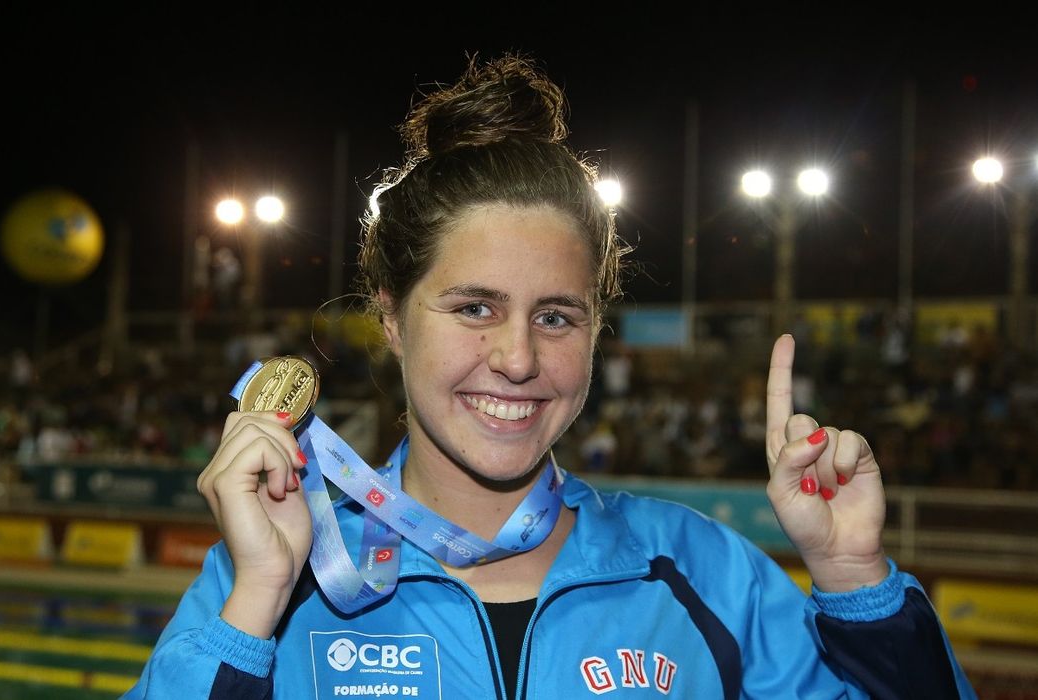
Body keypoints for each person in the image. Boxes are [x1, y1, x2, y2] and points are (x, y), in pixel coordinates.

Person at [126, 56, 973, 699]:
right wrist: (259, 602)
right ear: (390, 317)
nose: (521, 359)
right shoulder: (277, 574)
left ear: (597, 332)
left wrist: (856, 581)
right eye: (474, 308)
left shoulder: (700, 573)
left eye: (557, 316)